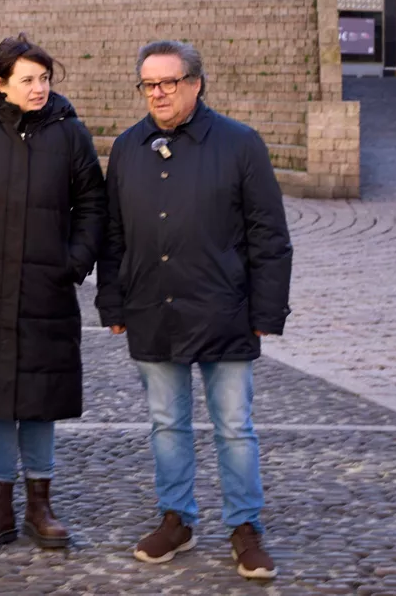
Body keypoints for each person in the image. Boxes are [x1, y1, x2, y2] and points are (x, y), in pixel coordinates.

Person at [96, 40, 292, 581]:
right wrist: (112, 299)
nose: (157, 93)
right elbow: (114, 236)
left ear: (196, 84)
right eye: (148, 84)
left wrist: (267, 311)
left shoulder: (240, 144)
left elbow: (269, 236)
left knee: (233, 424)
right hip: (151, 307)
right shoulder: (129, 147)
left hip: (224, 308)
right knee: (166, 423)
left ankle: (245, 526)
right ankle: (177, 519)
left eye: (168, 82)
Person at [0, 34, 107, 552]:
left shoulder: (71, 134)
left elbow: (94, 206)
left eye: (45, 79)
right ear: (1, 83)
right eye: (28, 80)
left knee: (37, 397)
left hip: (45, 289)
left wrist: (74, 263)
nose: (39, 88)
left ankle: (40, 505)